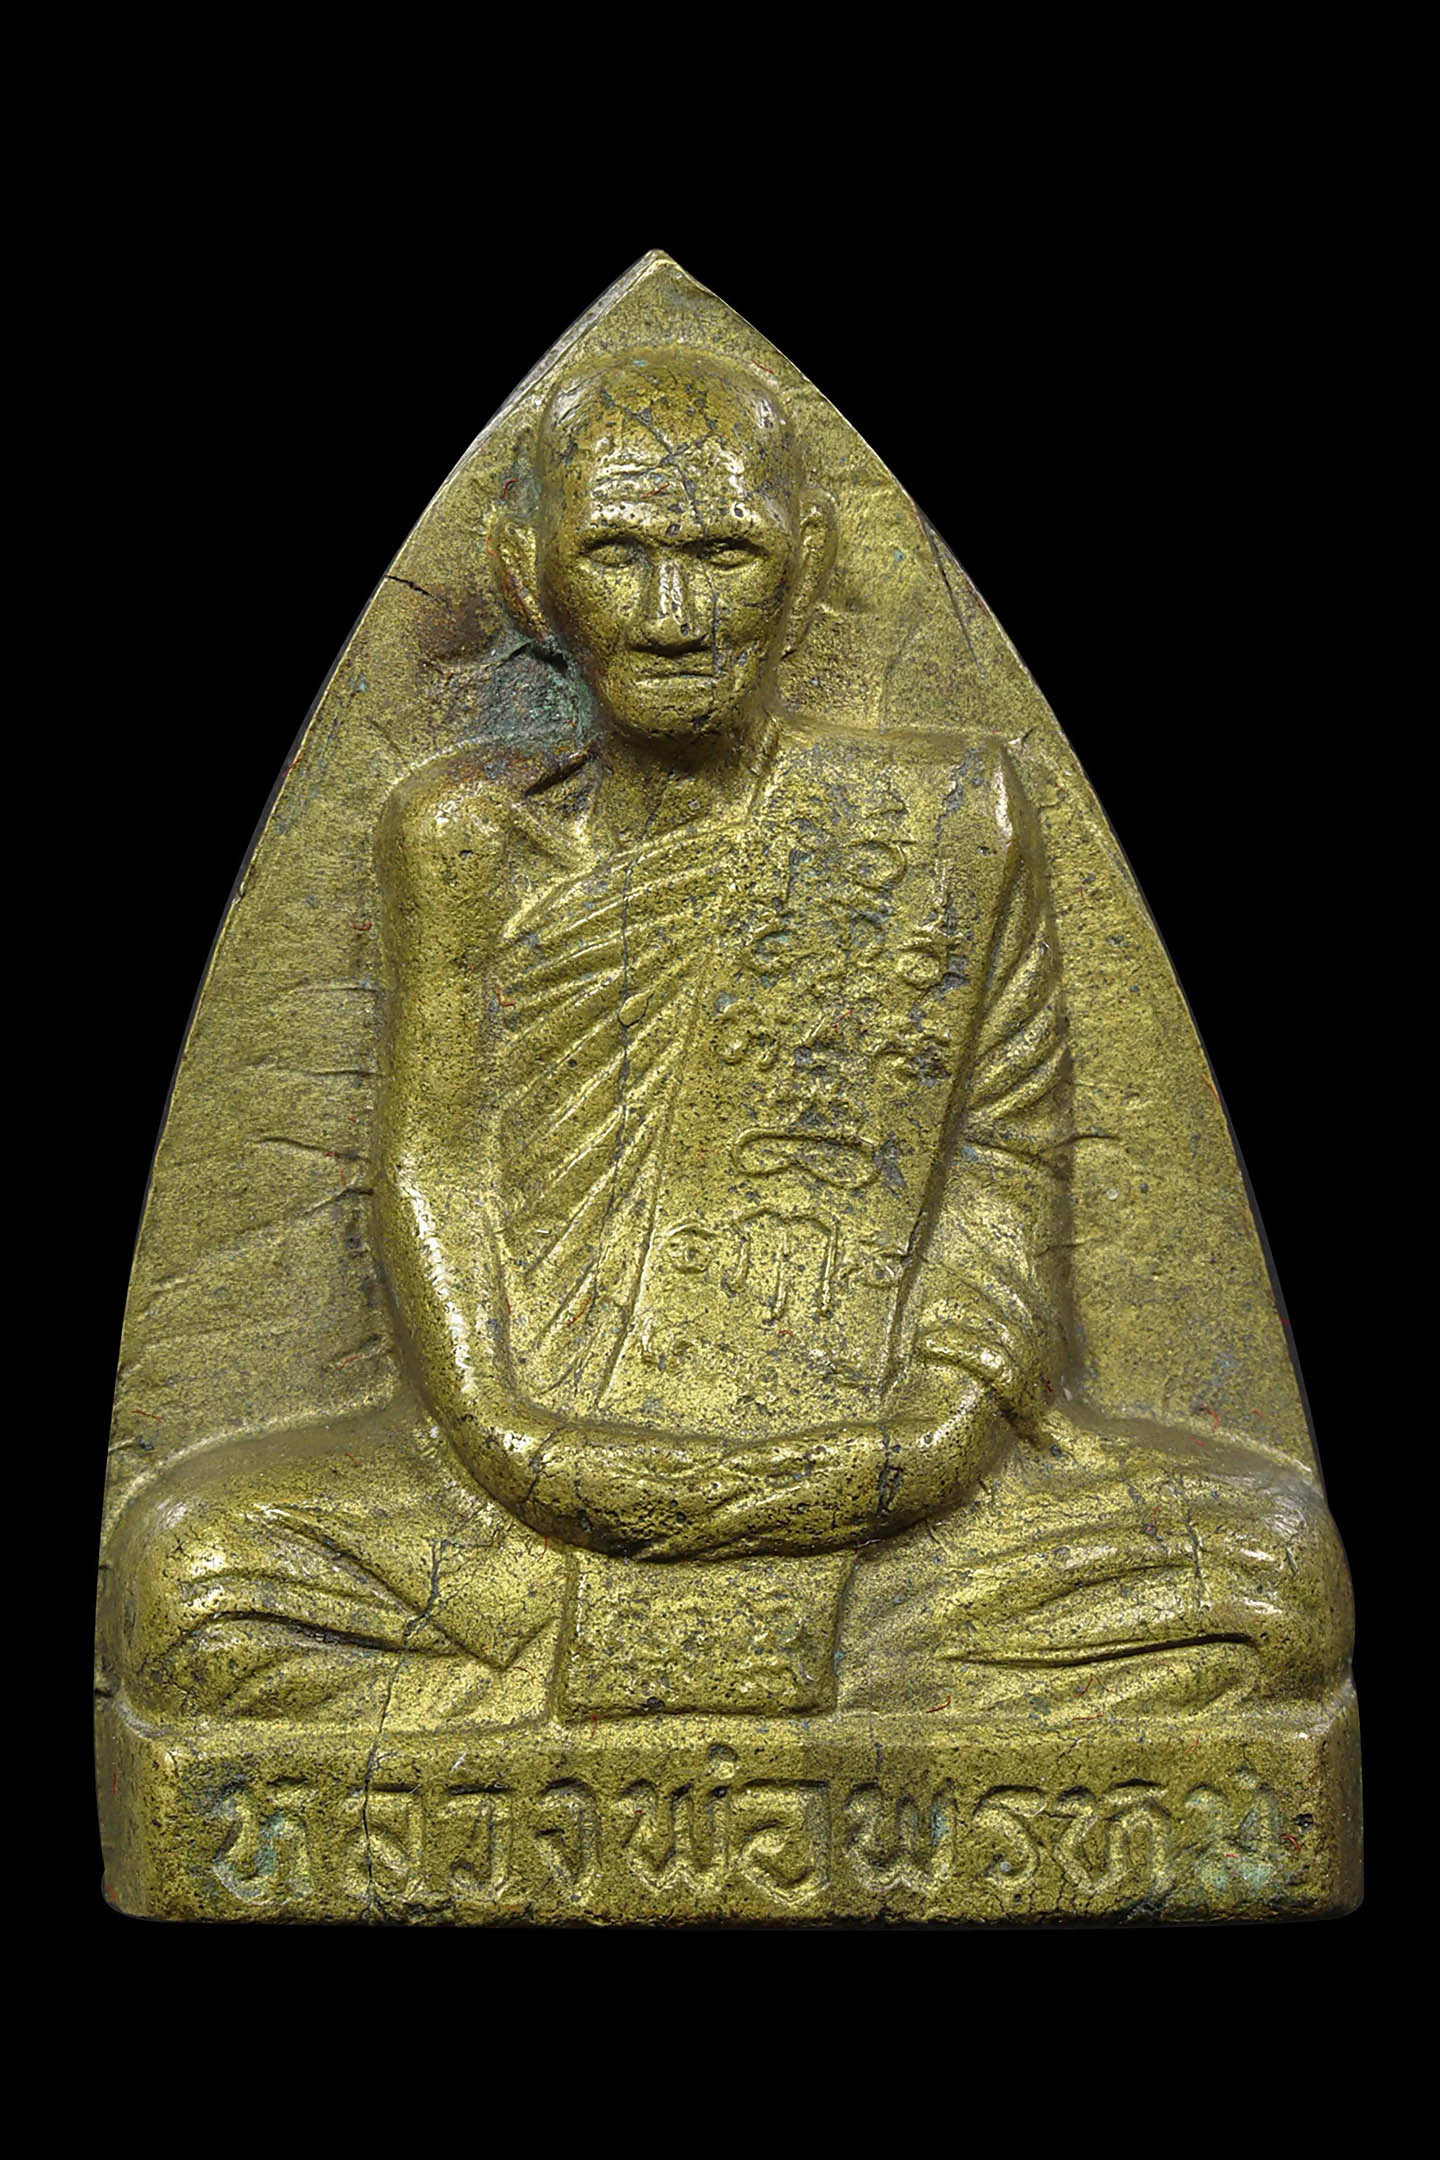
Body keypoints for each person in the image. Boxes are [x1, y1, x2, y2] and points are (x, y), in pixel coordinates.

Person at [100, 348, 1351, 1731]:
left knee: (1270, 1578)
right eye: (619, 555)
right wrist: (512, 1445)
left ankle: (745, 1694)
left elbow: (1003, 1172)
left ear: (805, 566)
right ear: (528, 576)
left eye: (725, 554)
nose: (675, 617)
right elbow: (433, 1171)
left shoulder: (943, 825)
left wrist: (923, 1443)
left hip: (880, 1493)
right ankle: (818, 1709)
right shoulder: (464, 840)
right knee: (192, 1581)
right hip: (528, 1498)